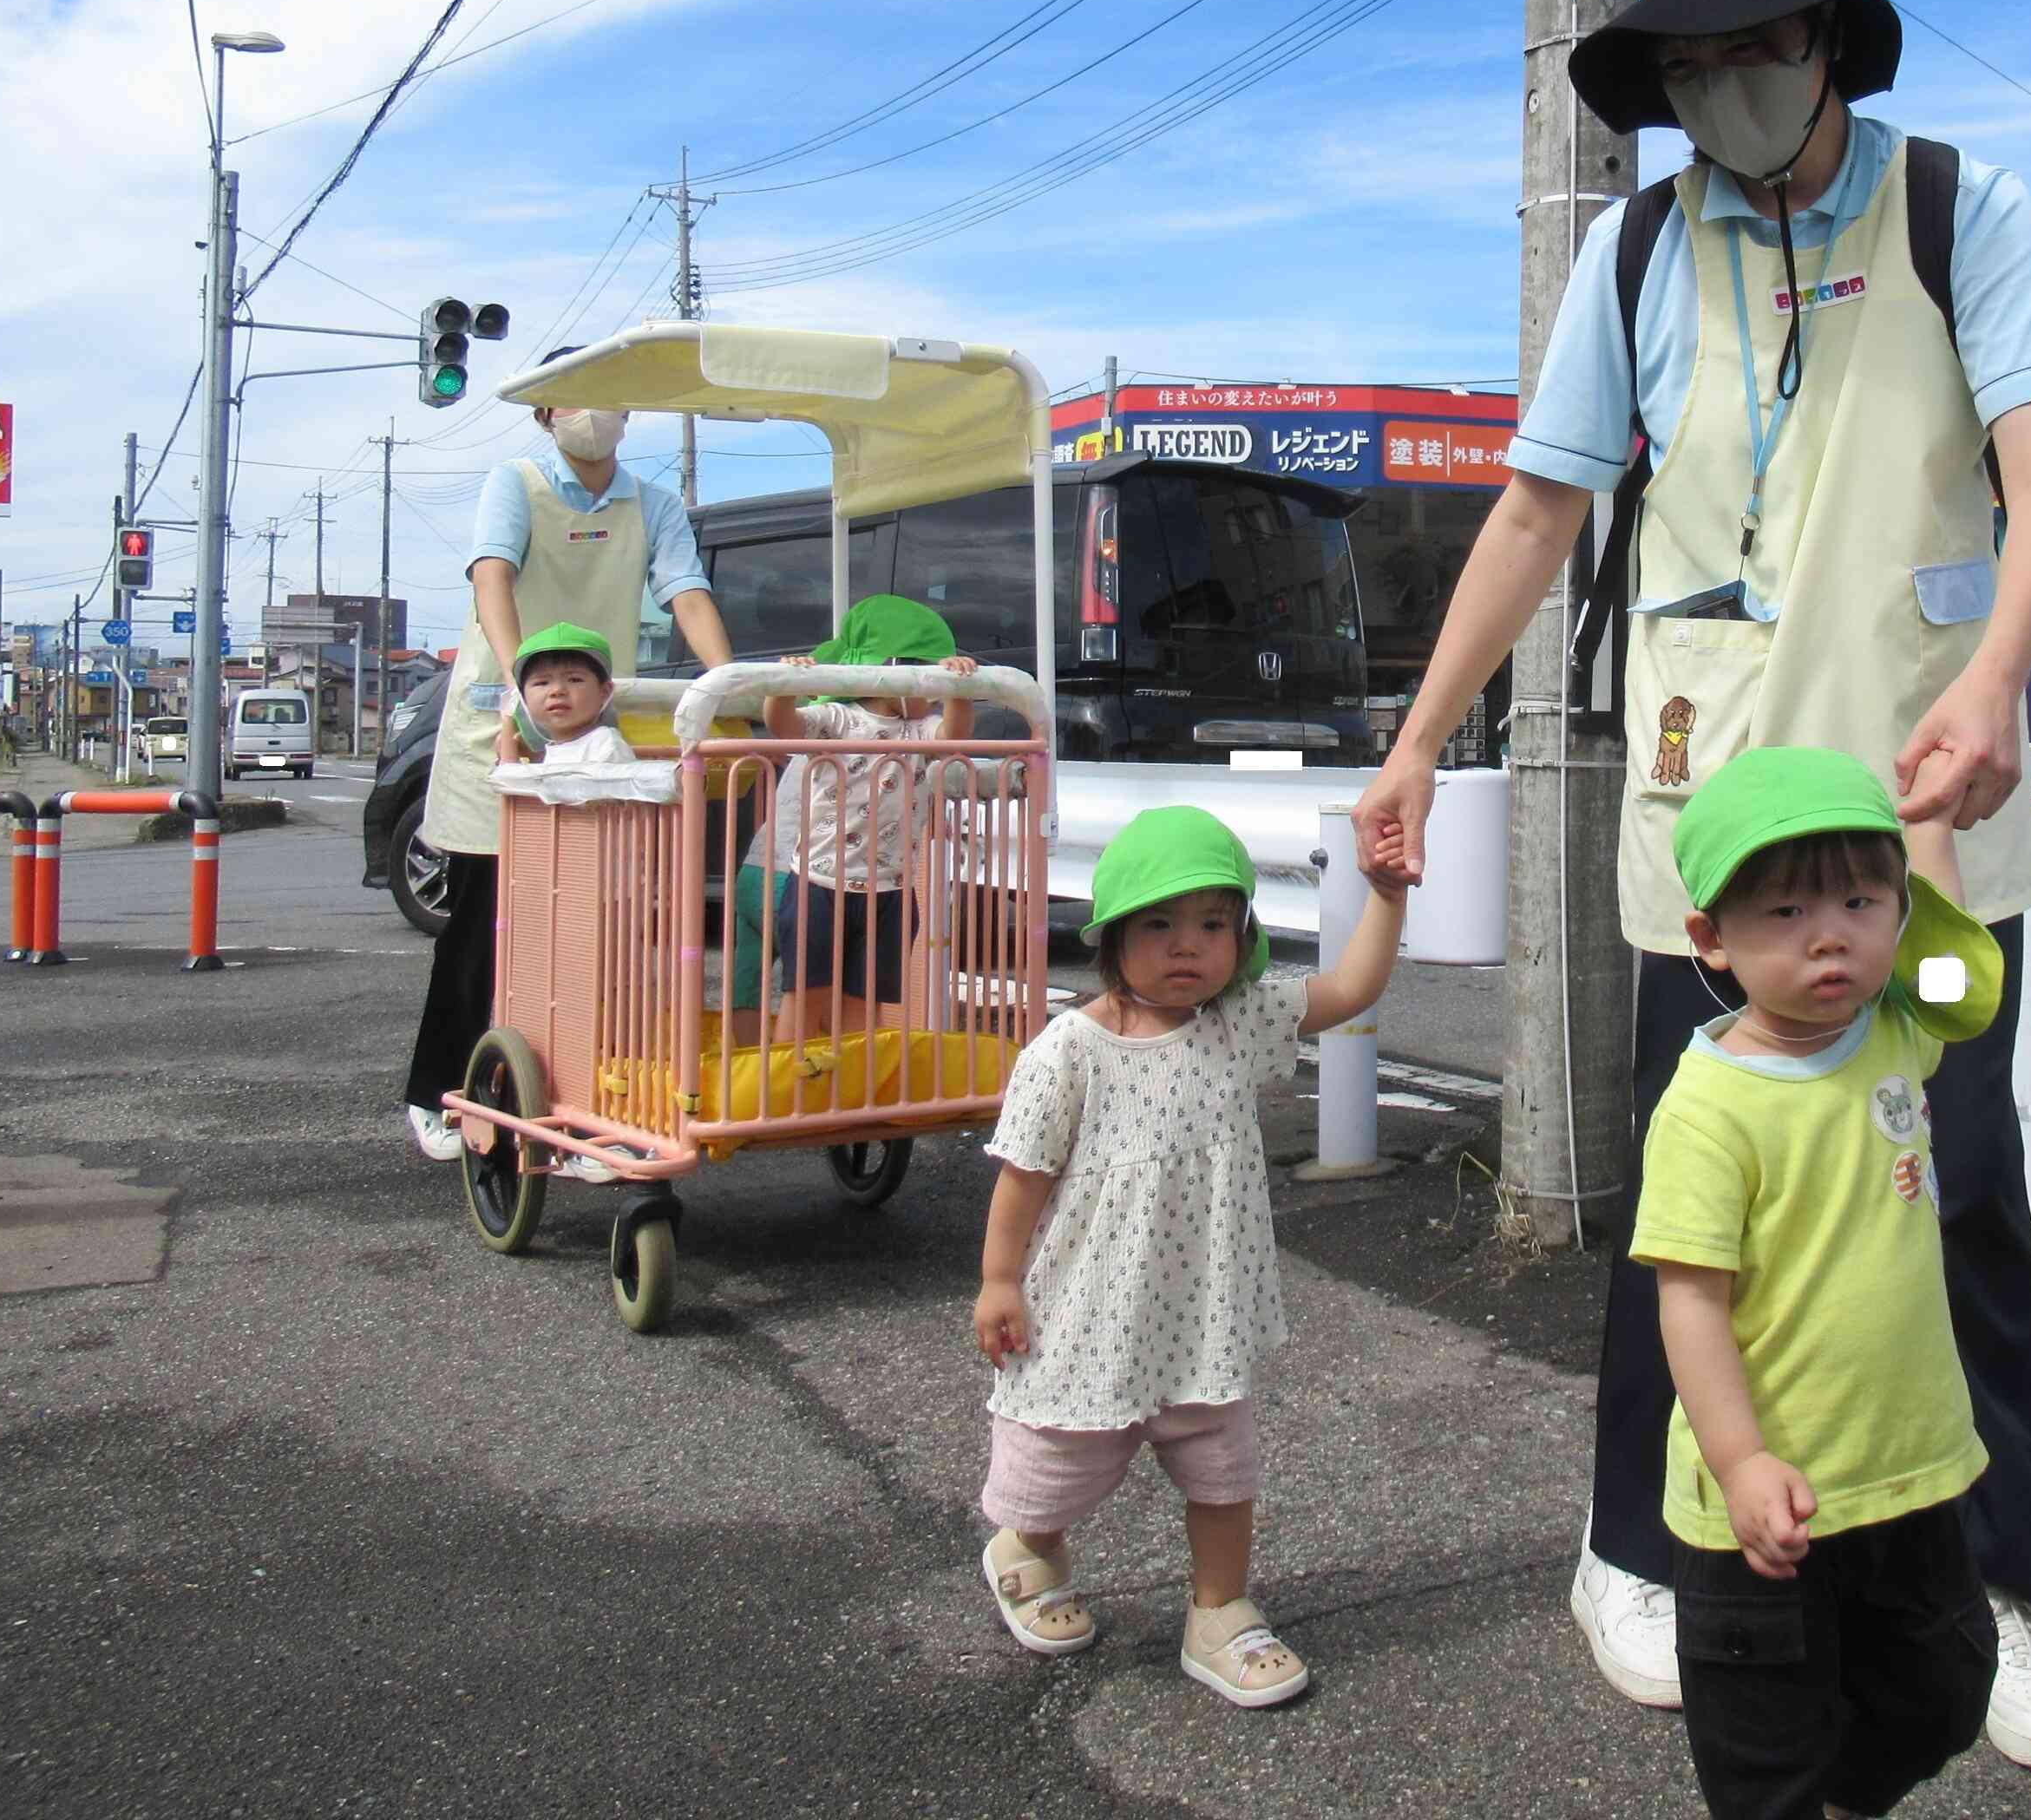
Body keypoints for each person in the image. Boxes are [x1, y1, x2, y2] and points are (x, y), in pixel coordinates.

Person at [1353, 0, 2031, 1772]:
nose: (1721, 94)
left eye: (1750, 53)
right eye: (1685, 70)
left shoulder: (1961, 209)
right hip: (1712, 837)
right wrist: (1418, 741)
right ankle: (1637, 1551)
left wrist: (2003, 672)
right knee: (1694, 1214)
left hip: (1916, 810)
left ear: (1822, 44)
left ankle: (1999, 1592)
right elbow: (1534, 513)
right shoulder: (1633, 254)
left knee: (1964, 1205)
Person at [970, 804, 1405, 1710]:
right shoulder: (1069, 1053)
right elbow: (1022, 1178)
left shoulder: (1236, 1022)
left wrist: (1387, 898)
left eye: (1214, 923)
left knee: (1221, 1469)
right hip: (1090, 1315)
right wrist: (1000, 1281)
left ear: (1242, 939)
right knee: (1057, 1462)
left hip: (1204, 1316)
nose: (1188, 946)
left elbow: (1352, 989)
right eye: (1160, 923)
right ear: (1112, 936)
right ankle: (1029, 1547)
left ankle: (1220, 1611)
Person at [1639, 748, 2002, 1820]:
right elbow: (1690, 1301)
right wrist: (1741, 1461)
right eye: (1786, 911)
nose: (1830, 933)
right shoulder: (1709, 1110)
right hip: (1761, 1502)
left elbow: (1963, 979)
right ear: (1711, 938)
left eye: (1859, 900)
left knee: (1942, 1694)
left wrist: (1926, 828)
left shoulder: (1896, 1032)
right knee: (1767, 1757)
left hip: (1907, 1469)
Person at [402, 365, 731, 1163]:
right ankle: (438, 1090)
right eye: (576, 400)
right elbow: (493, 578)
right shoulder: (515, 483)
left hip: (592, 728)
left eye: (610, 397)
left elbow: (685, 589)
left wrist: (726, 683)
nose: (595, 414)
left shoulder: (651, 503)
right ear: (546, 414)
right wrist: (521, 681)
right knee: (486, 918)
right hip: (507, 719)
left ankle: (584, 1101)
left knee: (596, 927)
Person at [761, 594, 981, 1044]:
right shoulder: (837, 718)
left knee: (865, 1002)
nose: (933, 693)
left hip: (892, 888)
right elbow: (782, 725)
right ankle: (786, 1096)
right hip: (820, 884)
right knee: (806, 994)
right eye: (927, 677)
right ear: (895, 671)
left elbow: (955, 733)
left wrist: (960, 689)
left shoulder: (920, 731)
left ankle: (854, 1092)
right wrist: (785, 683)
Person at [490, 622, 634, 768]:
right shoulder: (553, 749)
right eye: (542, 683)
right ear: (523, 698)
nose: (557, 691)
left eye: (574, 680)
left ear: (604, 692)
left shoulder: (606, 746)